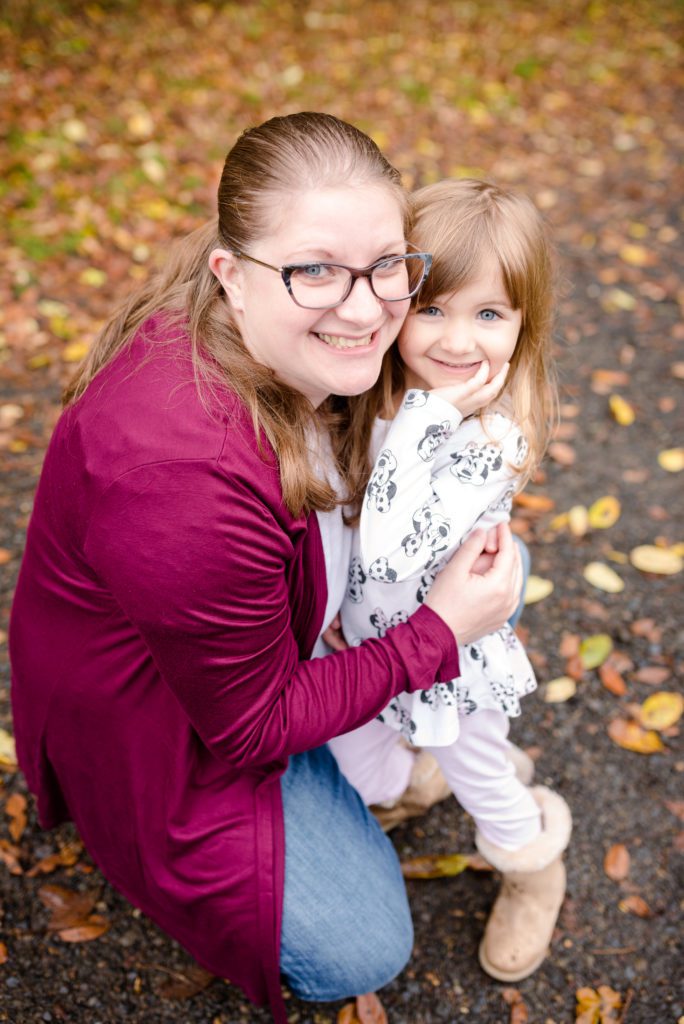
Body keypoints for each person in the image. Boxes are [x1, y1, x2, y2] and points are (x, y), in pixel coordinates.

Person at [9, 115, 523, 1024]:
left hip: (233, 645)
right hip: (162, 725)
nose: (366, 309)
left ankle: (364, 759)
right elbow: (250, 726)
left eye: (386, 266)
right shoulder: (183, 482)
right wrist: (436, 634)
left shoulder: (265, 340)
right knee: (367, 943)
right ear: (230, 273)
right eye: (315, 271)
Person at [333, 178, 572, 983]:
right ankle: (426, 771)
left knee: (484, 781)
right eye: (433, 308)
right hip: (366, 650)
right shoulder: (381, 394)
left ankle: (535, 865)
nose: (456, 340)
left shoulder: (490, 431)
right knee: (363, 775)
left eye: (489, 315)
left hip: (451, 656)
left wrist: (428, 421)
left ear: (522, 326)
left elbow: (394, 550)